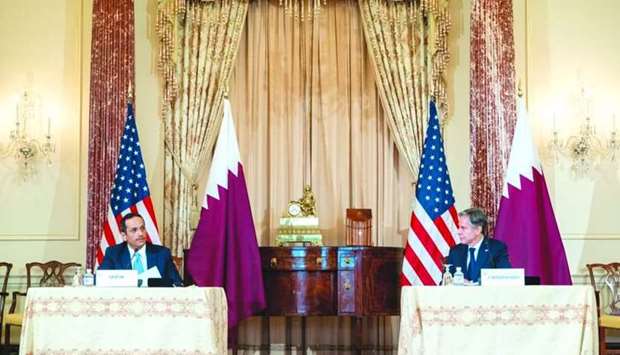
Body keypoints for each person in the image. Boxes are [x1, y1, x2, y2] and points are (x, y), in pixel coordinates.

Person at [99, 212, 182, 287]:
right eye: (134, 230)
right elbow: (100, 279)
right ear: (124, 236)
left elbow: (177, 283)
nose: (140, 234)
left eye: (142, 228)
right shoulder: (113, 253)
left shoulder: (162, 253)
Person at [446, 207, 511, 283]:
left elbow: (506, 279)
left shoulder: (496, 249)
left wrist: (472, 285)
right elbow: (444, 282)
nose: (458, 231)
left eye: (463, 228)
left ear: (477, 230)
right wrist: (454, 282)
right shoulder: (455, 251)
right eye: (459, 227)